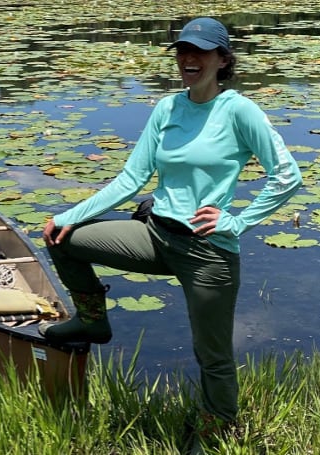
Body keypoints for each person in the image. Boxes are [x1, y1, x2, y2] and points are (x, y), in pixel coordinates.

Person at [38, 16, 302, 444]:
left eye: (199, 51)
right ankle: (92, 322)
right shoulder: (168, 107)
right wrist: (70, 214)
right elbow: (131, 178)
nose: (188, 58)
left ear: (222, 58)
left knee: (212, 356)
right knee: (64, 241)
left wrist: (239, 220)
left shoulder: (237, 109)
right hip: (155, 236)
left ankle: (216, 430)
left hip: (207, 252)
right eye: (182, 50)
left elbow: (287, 175)